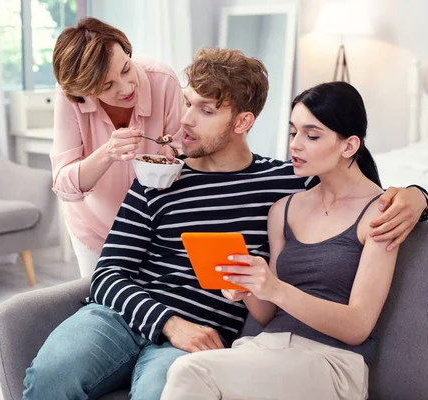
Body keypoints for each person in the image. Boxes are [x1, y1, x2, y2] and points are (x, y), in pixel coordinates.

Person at [23, 48, 428, 400]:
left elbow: (355, 189)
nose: (185, 120)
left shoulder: (285, 181)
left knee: (159, 392)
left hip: (205, 335)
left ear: (242, 122)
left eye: (205, 110)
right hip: (123, 318)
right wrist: (169, 323)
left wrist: (417, 197)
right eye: (187, 103)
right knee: (49, 377)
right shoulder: (158, 176)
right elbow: (108, 274)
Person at [160, 81, 405, 399]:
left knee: (190, 370)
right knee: (192, 370)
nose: (296, 145)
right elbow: (265, 314)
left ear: (349, 146)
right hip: (266, 350)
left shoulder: (383, 213)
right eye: (293, 132)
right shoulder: (284, 209)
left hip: (332, 362)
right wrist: (247, 287)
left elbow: (358, 326)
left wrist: (276, 287)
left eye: (312, 135)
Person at [50, 17, 183, 276]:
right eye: (107, 86)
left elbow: (180, 146)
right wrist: (107, 153)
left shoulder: (163, 80)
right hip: (94, 228)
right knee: (102, 301)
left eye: (125, 69)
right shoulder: (70, 97)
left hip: (157, 228)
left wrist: (174, 156)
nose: (126, 88)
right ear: (86, 90)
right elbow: (63, 184)